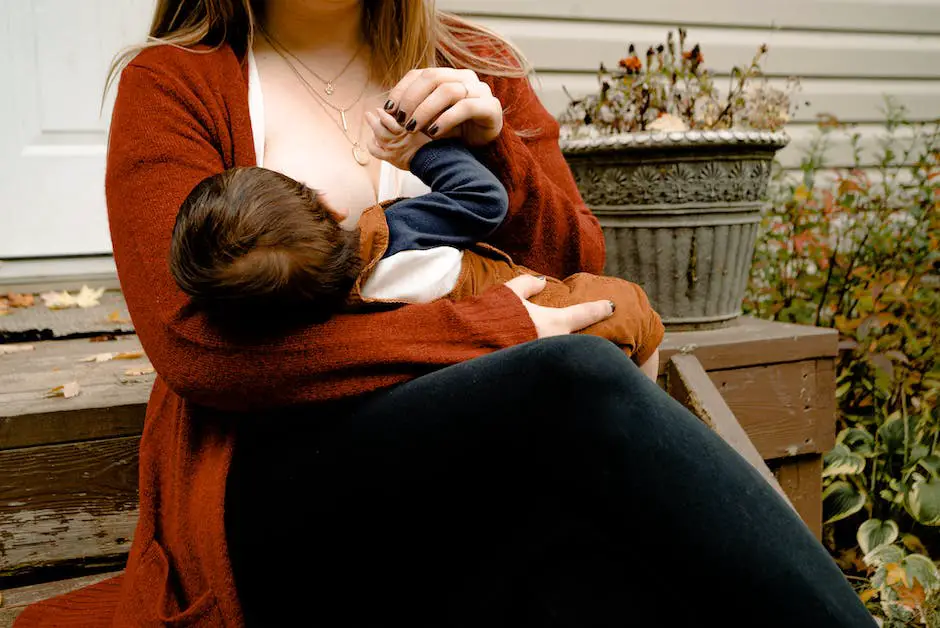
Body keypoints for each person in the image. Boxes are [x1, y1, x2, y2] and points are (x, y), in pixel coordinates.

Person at [14, 1, 876, 627]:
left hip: (473, 463)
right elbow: (197, 348)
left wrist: (493, 143)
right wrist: (494, 330)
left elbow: (574, 265)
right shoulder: (176, 82)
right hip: (279, 479)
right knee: (568, 377)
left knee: (587, 573)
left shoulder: (477, 62)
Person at [168, 117, 663, 376]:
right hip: (540, 306)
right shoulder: (393, 231)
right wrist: (423, 152)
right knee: (636, 314)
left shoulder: (319, 319)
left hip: (485, 369)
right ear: (329, 208)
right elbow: (483, 201)